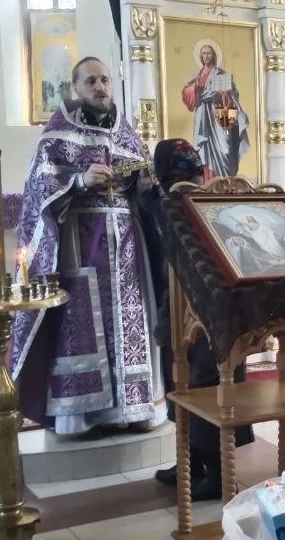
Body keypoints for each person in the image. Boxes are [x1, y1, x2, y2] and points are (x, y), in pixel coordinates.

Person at [10, 57, 168, 436]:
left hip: (127, 241)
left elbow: (142, 185)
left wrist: (145, 182)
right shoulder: (56, 133)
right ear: (75, 88)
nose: (100, 87)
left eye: (105, 80)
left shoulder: (125, 131)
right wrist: (80, 180)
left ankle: (134, 409)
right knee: (81, 323)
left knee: (132, 319)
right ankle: (81, 415)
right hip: (79, 240)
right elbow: (38, 191)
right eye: (91, 81)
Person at [139, 138, 253, 495]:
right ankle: (189, 464)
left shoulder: (180, 206)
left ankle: (218, 477)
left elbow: (155, 210)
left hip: (204, 318)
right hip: (196, 315)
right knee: (186, 390)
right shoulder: (198, 201)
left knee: (207, 393)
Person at [181, 44, 250, 180]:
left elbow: (233, 96)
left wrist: (223, 94)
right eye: (204, 53)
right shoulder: (197, 76)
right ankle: (209, 184)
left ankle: (226, 183)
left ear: (214, 56)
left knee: (225, 149)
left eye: (209, 53)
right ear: (201, 57)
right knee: (205, 151)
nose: (206, 56)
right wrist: (195, 87)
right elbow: (186, 93)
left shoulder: (220, 74)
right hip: (203, 115)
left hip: (220, 112)